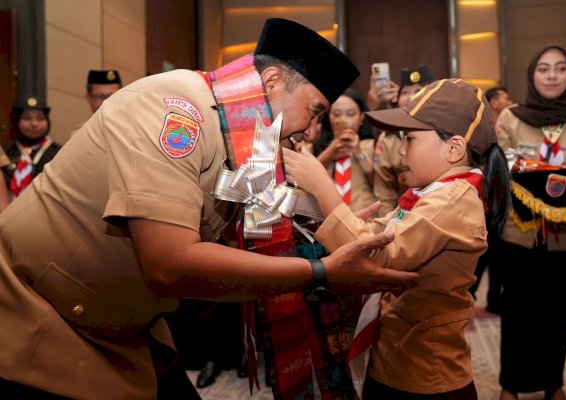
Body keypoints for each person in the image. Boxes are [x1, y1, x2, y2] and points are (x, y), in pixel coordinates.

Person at [0, 18, 417, 400]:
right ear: (271, 81)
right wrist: (322, 272)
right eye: (314, 112)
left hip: (124, 324)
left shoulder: (243, 133)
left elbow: (253, 216)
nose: (311, 132)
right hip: (38, 317)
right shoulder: (176, 108)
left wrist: (323, 235)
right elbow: (170, 262)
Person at [284, 78, 511, 399]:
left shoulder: (452, 200)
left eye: (410, 139)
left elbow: (374, 257)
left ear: (454, 148)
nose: (401, 149)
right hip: (400, 354)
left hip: (424, 375)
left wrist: (322, 187)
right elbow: (382, 234)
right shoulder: (433, 192)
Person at [495, 45, 566, 400]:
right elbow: (502, 171)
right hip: (518, 235)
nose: (552, 75)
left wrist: (535, 175)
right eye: (543, 68)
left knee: (560, 313)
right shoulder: (511, 117)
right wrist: (562, 178)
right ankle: (511, 385)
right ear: (532, 75)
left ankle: (554, 382)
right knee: (518, 314)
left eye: (559, 69)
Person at [468, 86, 513, 315]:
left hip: (502, 194)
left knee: (499, 253)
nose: (509, 101)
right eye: (505, 97)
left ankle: (496, 300)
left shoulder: (512, 123)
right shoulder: (481, 125)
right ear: (493, 102)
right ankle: (468, 298)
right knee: (481, 253)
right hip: (480, 194)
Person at [372, 64, 436, 216]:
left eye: (419, 91)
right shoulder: (388, 138)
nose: (410, 96)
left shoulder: (445, 132)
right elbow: (385, 192)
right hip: (403, 216)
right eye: (405, 92)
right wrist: (388, 228)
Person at [311, 88, 377, 211]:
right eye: (336, 114)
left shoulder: (373, 146)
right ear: (328, 117)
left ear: (361, 117)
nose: (344, 120)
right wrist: (329, 153)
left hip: (365, 222)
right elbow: (306, 180)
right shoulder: (317, 147)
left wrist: (359, 153)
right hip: (329, 221)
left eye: (351, 114)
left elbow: (384, 185)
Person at [1, 95, 61, 200]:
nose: (34, 123)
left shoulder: (59, 153)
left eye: (40, 118)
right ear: (17, 120)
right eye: (27, 118)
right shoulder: (6, 151)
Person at [70, 69, 123, 137]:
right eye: (99, 96)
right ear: (88, 98)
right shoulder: (79, 135)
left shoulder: (135, 129)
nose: (106, 101)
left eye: (112, 96)